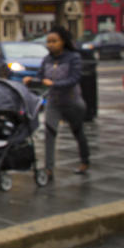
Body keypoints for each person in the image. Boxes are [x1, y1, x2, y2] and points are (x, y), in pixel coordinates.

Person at [24, 25, 90, 182]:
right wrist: (31, 80)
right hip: (54, 102)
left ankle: (85, 161)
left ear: (63, 41)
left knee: (78, 132)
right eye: (48, 41)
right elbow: (41, 77)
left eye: (54, 41)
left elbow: (74, 78)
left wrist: (54, 84)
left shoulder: (73, 57)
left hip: (72, 102)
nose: (51, 44)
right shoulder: (47, 59)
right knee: (49, 134)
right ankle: (48, 169)